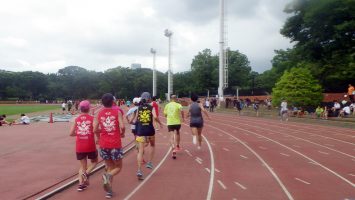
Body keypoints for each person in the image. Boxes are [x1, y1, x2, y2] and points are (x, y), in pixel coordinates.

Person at [94, 93, 125, 199]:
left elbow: (94, 129)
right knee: (118, 167)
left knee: (110, 167)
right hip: (115, 144)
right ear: (113, 101)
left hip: (103, 144)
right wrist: (122, 133)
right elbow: (122, 126)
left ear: (102, 102)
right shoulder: (117, 112)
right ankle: (108, 176)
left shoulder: (99, 113)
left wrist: (100, 134)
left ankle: (109, 190)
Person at [69, 100, 98, 192]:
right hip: (90, 145)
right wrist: (99, 138)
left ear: (80, 109)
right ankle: (86, 174)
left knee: (82, 166)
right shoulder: (92, 118)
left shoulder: (76, 119)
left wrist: (79, 134)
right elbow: (95, 130)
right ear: (89, 108)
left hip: (80, 145)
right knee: (94, 161)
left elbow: (71, 133)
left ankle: (81, 184)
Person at [135, 92, 162, 180]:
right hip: (149, 130)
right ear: (149, 98)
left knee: (140, 151)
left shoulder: (138, 108)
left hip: (140, 130)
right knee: (152, 145)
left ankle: (139, 170)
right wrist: (160, 123)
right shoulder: (151, 107)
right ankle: (150, 162)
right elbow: (155, 117)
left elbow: (136, 120)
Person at [164, 95, 185, 159]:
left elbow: (165, 114)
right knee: (178, 133)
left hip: (170, 122)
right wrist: (183, 118)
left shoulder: (167, 105)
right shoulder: (178, 105)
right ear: (176, 99)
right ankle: (178, 145)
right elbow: (182, 110)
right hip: (177, 122)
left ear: (170, 99)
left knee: (171, 135)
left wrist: (167, 116)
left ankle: (173, 148)